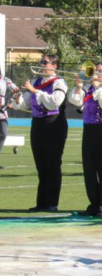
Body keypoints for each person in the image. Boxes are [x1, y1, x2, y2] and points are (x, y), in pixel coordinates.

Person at [12, 55, 68, 211]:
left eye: (44, 62)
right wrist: (17, 98)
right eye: (40, 62)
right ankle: (42, 202)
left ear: (54, 66)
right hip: (37, 124)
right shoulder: (36, 82)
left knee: (52, 163)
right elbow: (25, 104)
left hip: (53, 124)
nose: (41, 64)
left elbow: (54, 102)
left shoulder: (59, 82)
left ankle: (52, 202)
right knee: (41, 164)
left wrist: (35, 91)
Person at [68, 63, 102, 218]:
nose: (96, 74)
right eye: (95, 71)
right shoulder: (87, 89)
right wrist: (78, 86)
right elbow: (76, 101)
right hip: (89, 130)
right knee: (89, 169)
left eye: (100, 71)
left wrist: (98, 88)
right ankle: (94, 204)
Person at [0, 67, 19, 169]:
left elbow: (16, 90)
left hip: (2, 112)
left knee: (3, 133)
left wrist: (16, 94)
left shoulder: (4, 80)